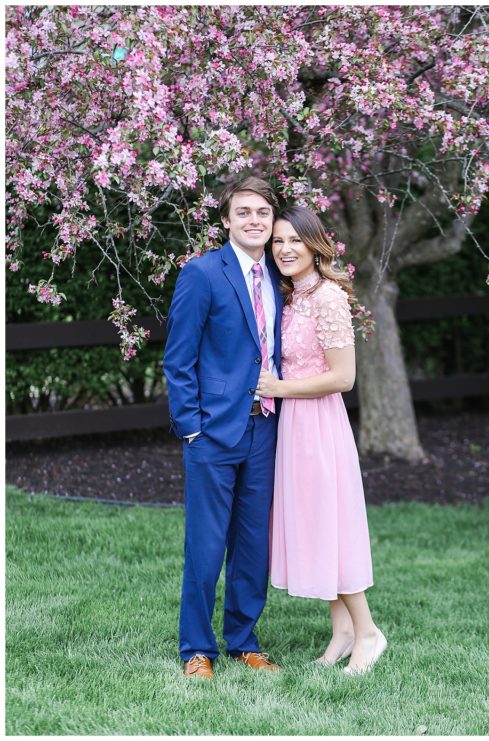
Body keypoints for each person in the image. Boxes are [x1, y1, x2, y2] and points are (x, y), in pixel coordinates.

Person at [164, 176, 285, 678]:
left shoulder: (282, 274)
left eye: (263, 212)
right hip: (213, 433)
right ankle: (197, 647)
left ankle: (243, 640)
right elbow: (178, 359)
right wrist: (191, 427)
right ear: (226, 220)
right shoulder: (201, 273)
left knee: (253, 543)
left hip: (266, 429)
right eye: (244, 212)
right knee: (207, 543)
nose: (254, 220)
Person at [257, 205, 386, 675]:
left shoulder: (328, 298)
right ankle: (342, 631)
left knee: (329, 527)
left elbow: (344, 377)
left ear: (315, 246)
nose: (285, 249)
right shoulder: (293, 297)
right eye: (278, 242)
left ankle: (368, 632)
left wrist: (279, 388)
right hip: (295, 425)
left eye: (294, 240)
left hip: (318, 425)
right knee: (315, 524)